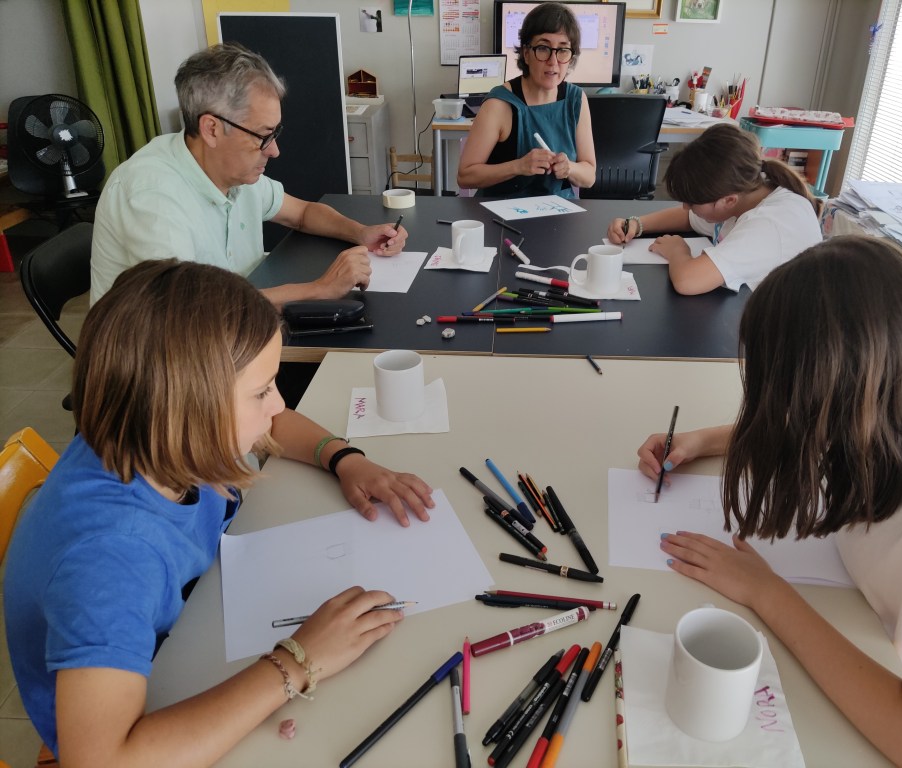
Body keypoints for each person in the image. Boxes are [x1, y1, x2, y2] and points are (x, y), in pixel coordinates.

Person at [4, 260, 435, 765]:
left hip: (195, 630)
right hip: (131, 719)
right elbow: (102, 761)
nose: (278, 405)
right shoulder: (110, 558)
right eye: (261, 391)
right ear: (188, 410)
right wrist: (298, 662)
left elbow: (273, 424)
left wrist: (343, 458)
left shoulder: (149, 429)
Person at [637, 236, 902, 767]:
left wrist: (765, 591)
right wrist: (700, 441)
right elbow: (800, 426)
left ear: (841, 387)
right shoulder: (884, 418)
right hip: (868, 635)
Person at [91, 43, 408, 306]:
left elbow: (302, 213)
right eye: (263, 135)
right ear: (212, 129)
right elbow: (190, 316)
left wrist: (360, 233)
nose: (274, 150)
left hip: (237, 325)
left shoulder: (230, 171)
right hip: (169, 353)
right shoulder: (152, 196)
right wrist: (319, 290)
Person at [606, 122, 822, 295]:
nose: (685, 207)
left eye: (692, 202)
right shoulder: (746, 191)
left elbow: (687, 281)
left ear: (728, 200)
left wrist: (677, 251)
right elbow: (688, 218)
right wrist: (637, 224)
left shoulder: (767, 225)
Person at [456, 2, 596, 198]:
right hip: (502, 210)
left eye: (563, 50)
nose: (553, 62)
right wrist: (518, 166)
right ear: (526, 53)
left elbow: (589, 177)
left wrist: (569, 168)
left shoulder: (576, 99)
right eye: (543, 48)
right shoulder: (499, 104)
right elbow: (465, 176)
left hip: (558, 210)